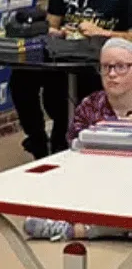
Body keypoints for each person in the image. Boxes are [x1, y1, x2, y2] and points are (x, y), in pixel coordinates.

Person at [10, 0, 132, 158]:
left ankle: (61, 139)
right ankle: (35, 137)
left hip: (98, 63)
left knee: (67, 102)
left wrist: (103, 33)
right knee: (21, 79)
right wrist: (54, 31)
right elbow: (53, 25)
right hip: (62, 56)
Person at [24, 37, 132, 241]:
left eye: (120, 67)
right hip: (98, 186)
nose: (112, 74)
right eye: (105, 67)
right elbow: (74, 154)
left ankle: (76, 230)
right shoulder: (90, 106)